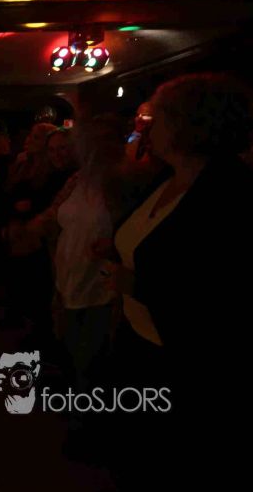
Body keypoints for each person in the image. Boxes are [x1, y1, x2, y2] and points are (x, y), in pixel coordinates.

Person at [101, 74, 253, 489]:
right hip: (140, 344)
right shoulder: (167, 178)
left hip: (187, 367)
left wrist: (136, 285)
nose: (147, 127)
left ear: (190, 124)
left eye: (157, 117)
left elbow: (224, 296)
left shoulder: (232, 192)